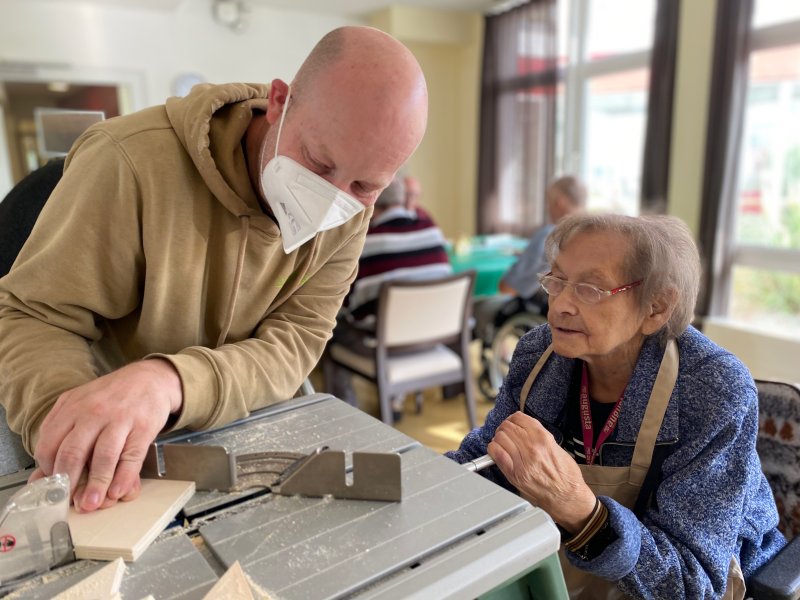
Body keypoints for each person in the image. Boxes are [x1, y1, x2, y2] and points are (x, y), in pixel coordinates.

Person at [0, 26, 428, 513]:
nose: (332, 198)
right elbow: (34, 316)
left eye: (366, 185)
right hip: (106, 423)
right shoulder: (126, 162)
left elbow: (298, 338)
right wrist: (74, 431)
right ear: (279, 102)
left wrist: (172, 381)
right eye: (319, 162)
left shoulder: (349, 210)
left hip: (230, 421)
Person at [448, 213, 785, 598]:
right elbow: (488, 458)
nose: (559, 305)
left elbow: (692, 584)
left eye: (589, 288)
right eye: (556, 281)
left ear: (656, 308)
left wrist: (582, 512)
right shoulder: (538, 354)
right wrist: (424, 481)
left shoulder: (713, 390)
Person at [325, 176, 451, 419]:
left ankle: (343, 413)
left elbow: (348, 304)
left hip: (386, 346)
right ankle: (394, 398)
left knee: (331, 328)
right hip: (434, 339)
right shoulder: (432, 230)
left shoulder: (367, 241)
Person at [498, 174, 586, 297]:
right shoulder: (589, 235)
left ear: (559, 202)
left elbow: (506, 288)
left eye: (548, 202)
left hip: (538, 310)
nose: (547, 208)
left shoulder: (549, 235)